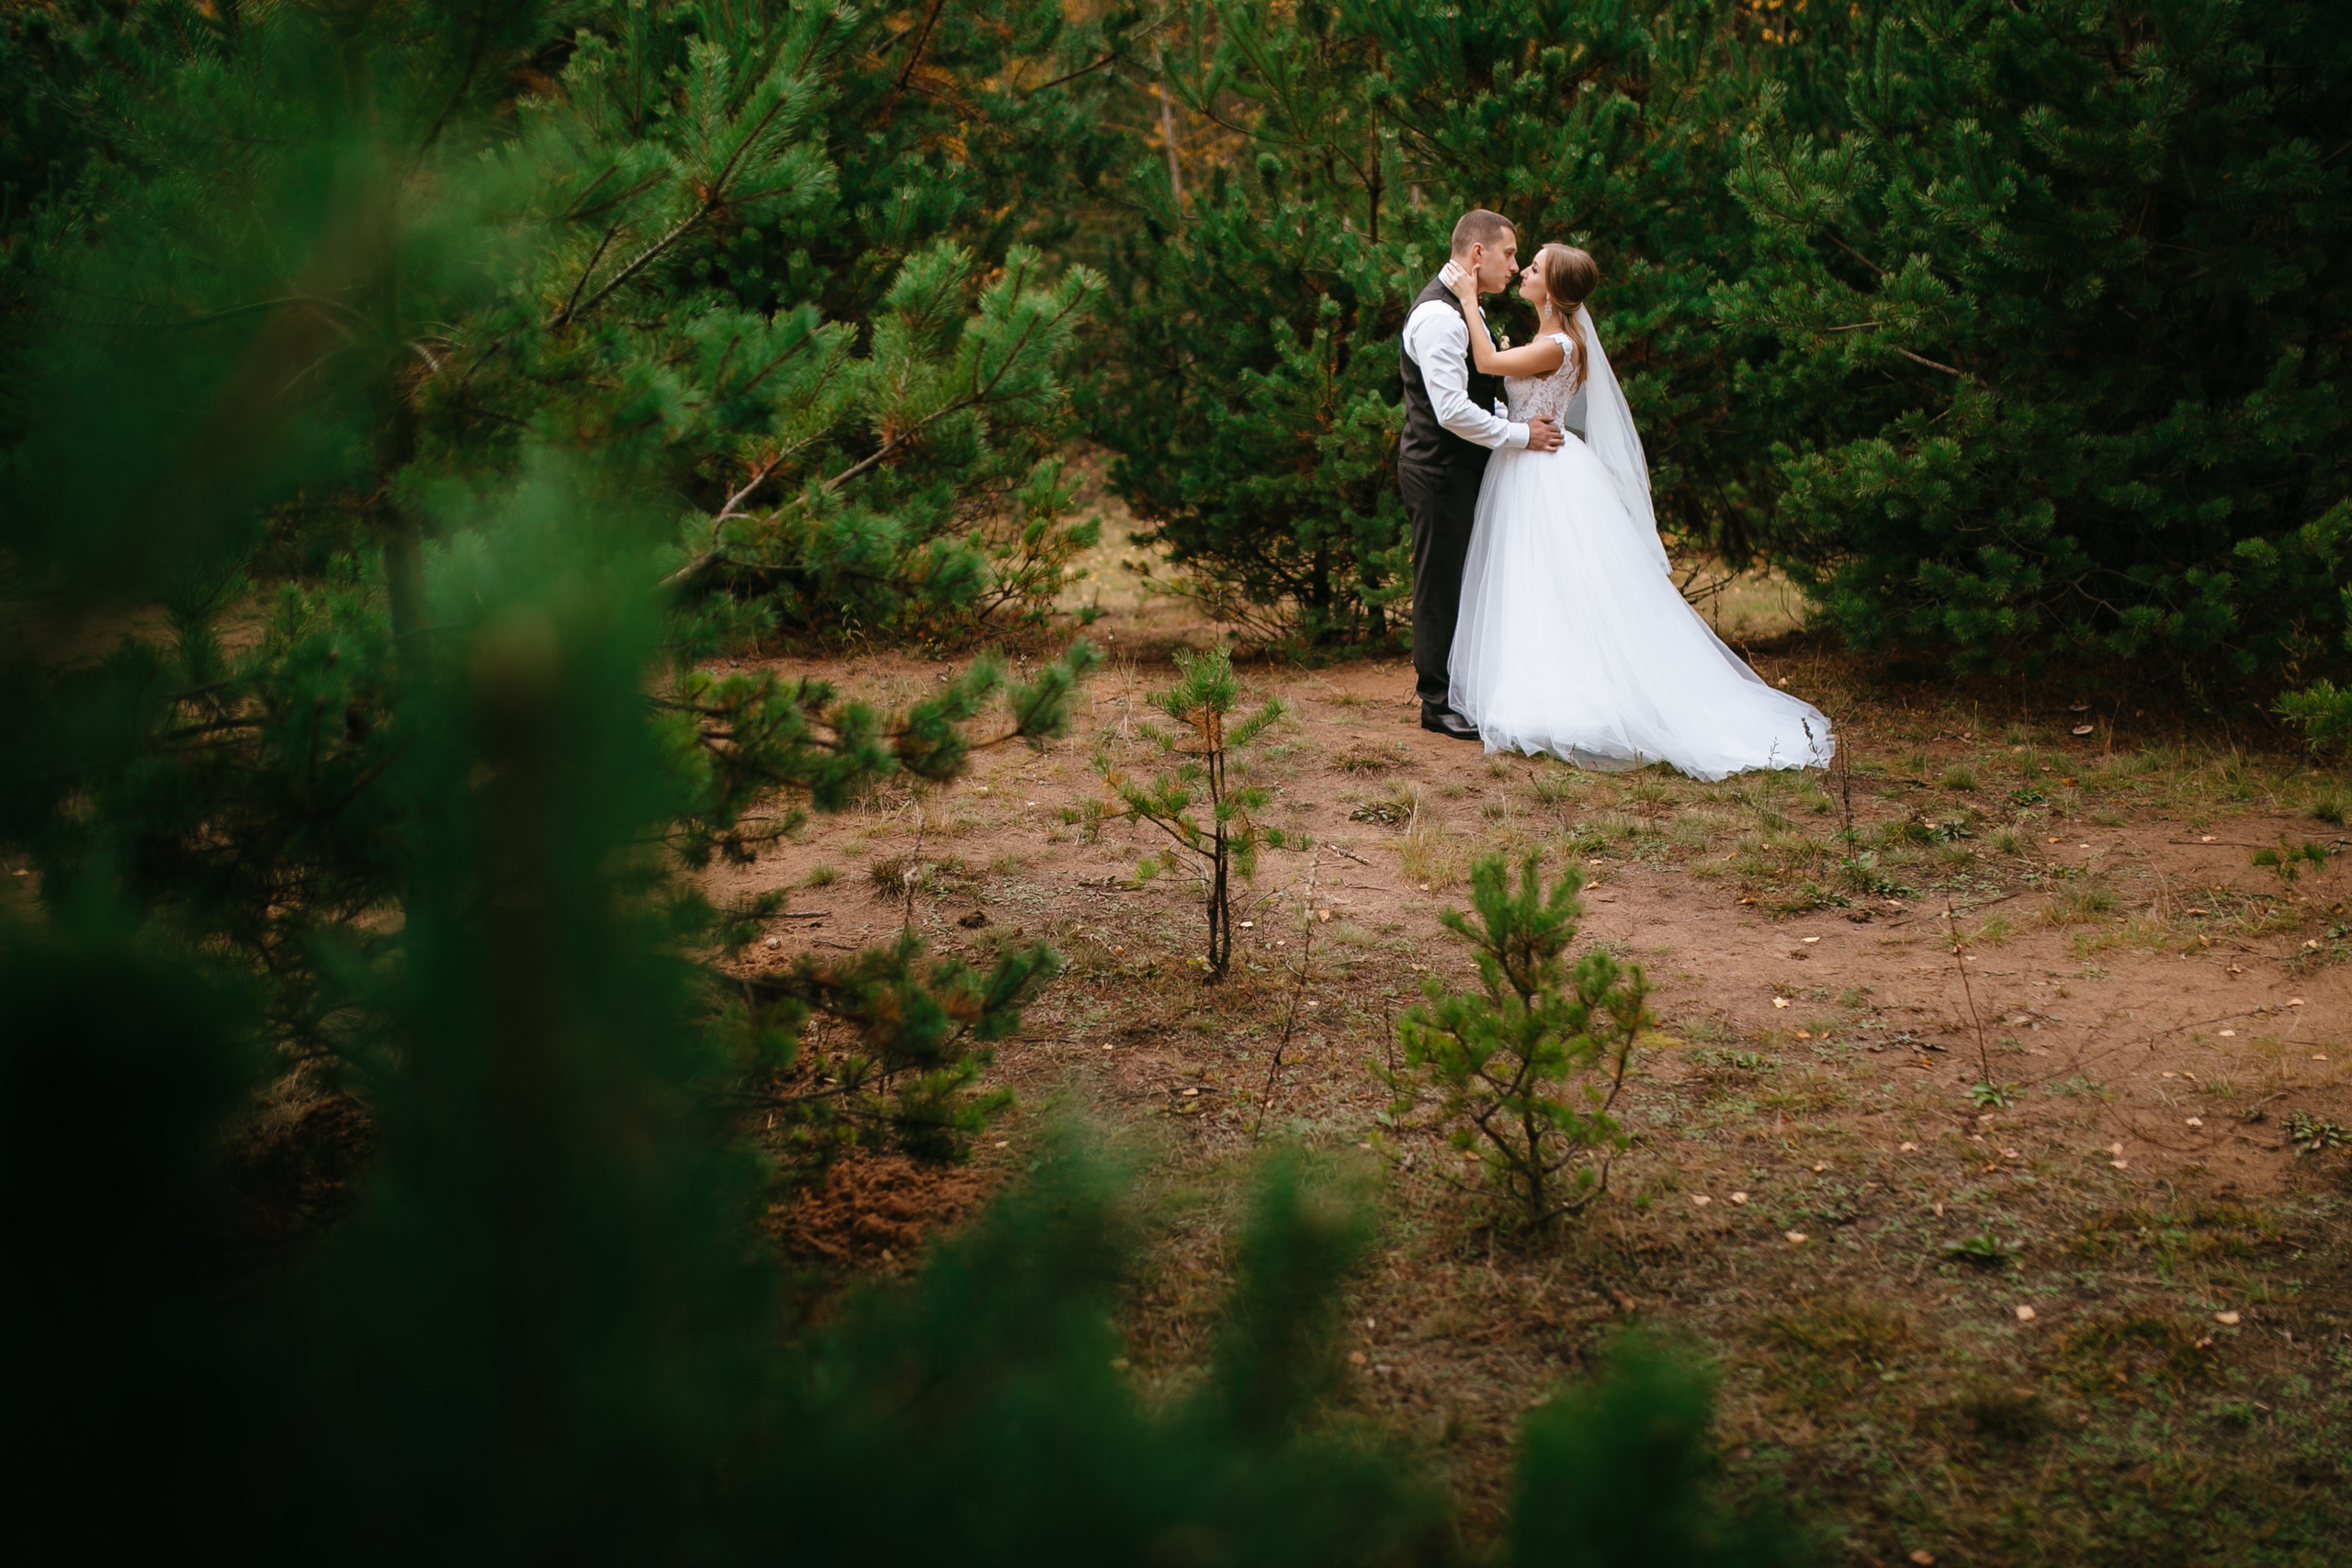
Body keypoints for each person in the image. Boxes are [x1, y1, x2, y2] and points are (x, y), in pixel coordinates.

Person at [1441, 243, 1835, 780]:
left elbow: (1487, 362)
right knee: (1539, 582)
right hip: (1528, 462)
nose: (1523, 272)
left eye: (1532, 268)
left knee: (1558, 581)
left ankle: (1578, 696)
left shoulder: (1557, 344)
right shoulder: (1547, 338)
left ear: (1552, 291)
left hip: (1545, 472)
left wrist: (1466, 298)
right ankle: (1540, 677)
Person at [1397, 210, 1565, 740]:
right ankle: (1436, 701)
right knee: (1440, 583)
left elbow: (1478, 394)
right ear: (1477, 254)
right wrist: (1520, 436)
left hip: (1461, 467)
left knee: (1465, 580)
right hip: (1438, 469)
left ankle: (1462, 689)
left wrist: (1509, 424)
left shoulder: (1465, 310)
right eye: (1510, 254)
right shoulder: (1440, 318)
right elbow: (1450, 411)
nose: (1515, 266)